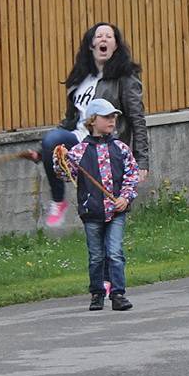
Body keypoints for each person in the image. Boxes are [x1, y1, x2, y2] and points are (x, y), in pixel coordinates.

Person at [35, 23, 149, 227]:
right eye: (99, 36)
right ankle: (59, 201)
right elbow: (70, 120)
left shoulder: (124, 77)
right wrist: (44, 149)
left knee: (109, 213)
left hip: (106, 146)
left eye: (109, 36)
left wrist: (142, 161)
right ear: (91, 44)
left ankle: (112, 256)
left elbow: (137, 118)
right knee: (51, 140)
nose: (103, 39)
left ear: (116, 46)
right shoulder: (80, 78)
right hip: (80, 142)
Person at [53, 99, 139, 311]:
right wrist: (59, 158)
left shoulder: (121, 148)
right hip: (91, 211)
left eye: (113, 117)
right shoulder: (80, 151)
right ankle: (97, 293)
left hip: (116, 211)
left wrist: (125, 197)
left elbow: (132, 176)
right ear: (92, 121)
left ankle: (118, 294)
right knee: (96, 255)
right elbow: (65, 174)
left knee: (115, 252)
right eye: (106, 117)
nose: (112, 121)